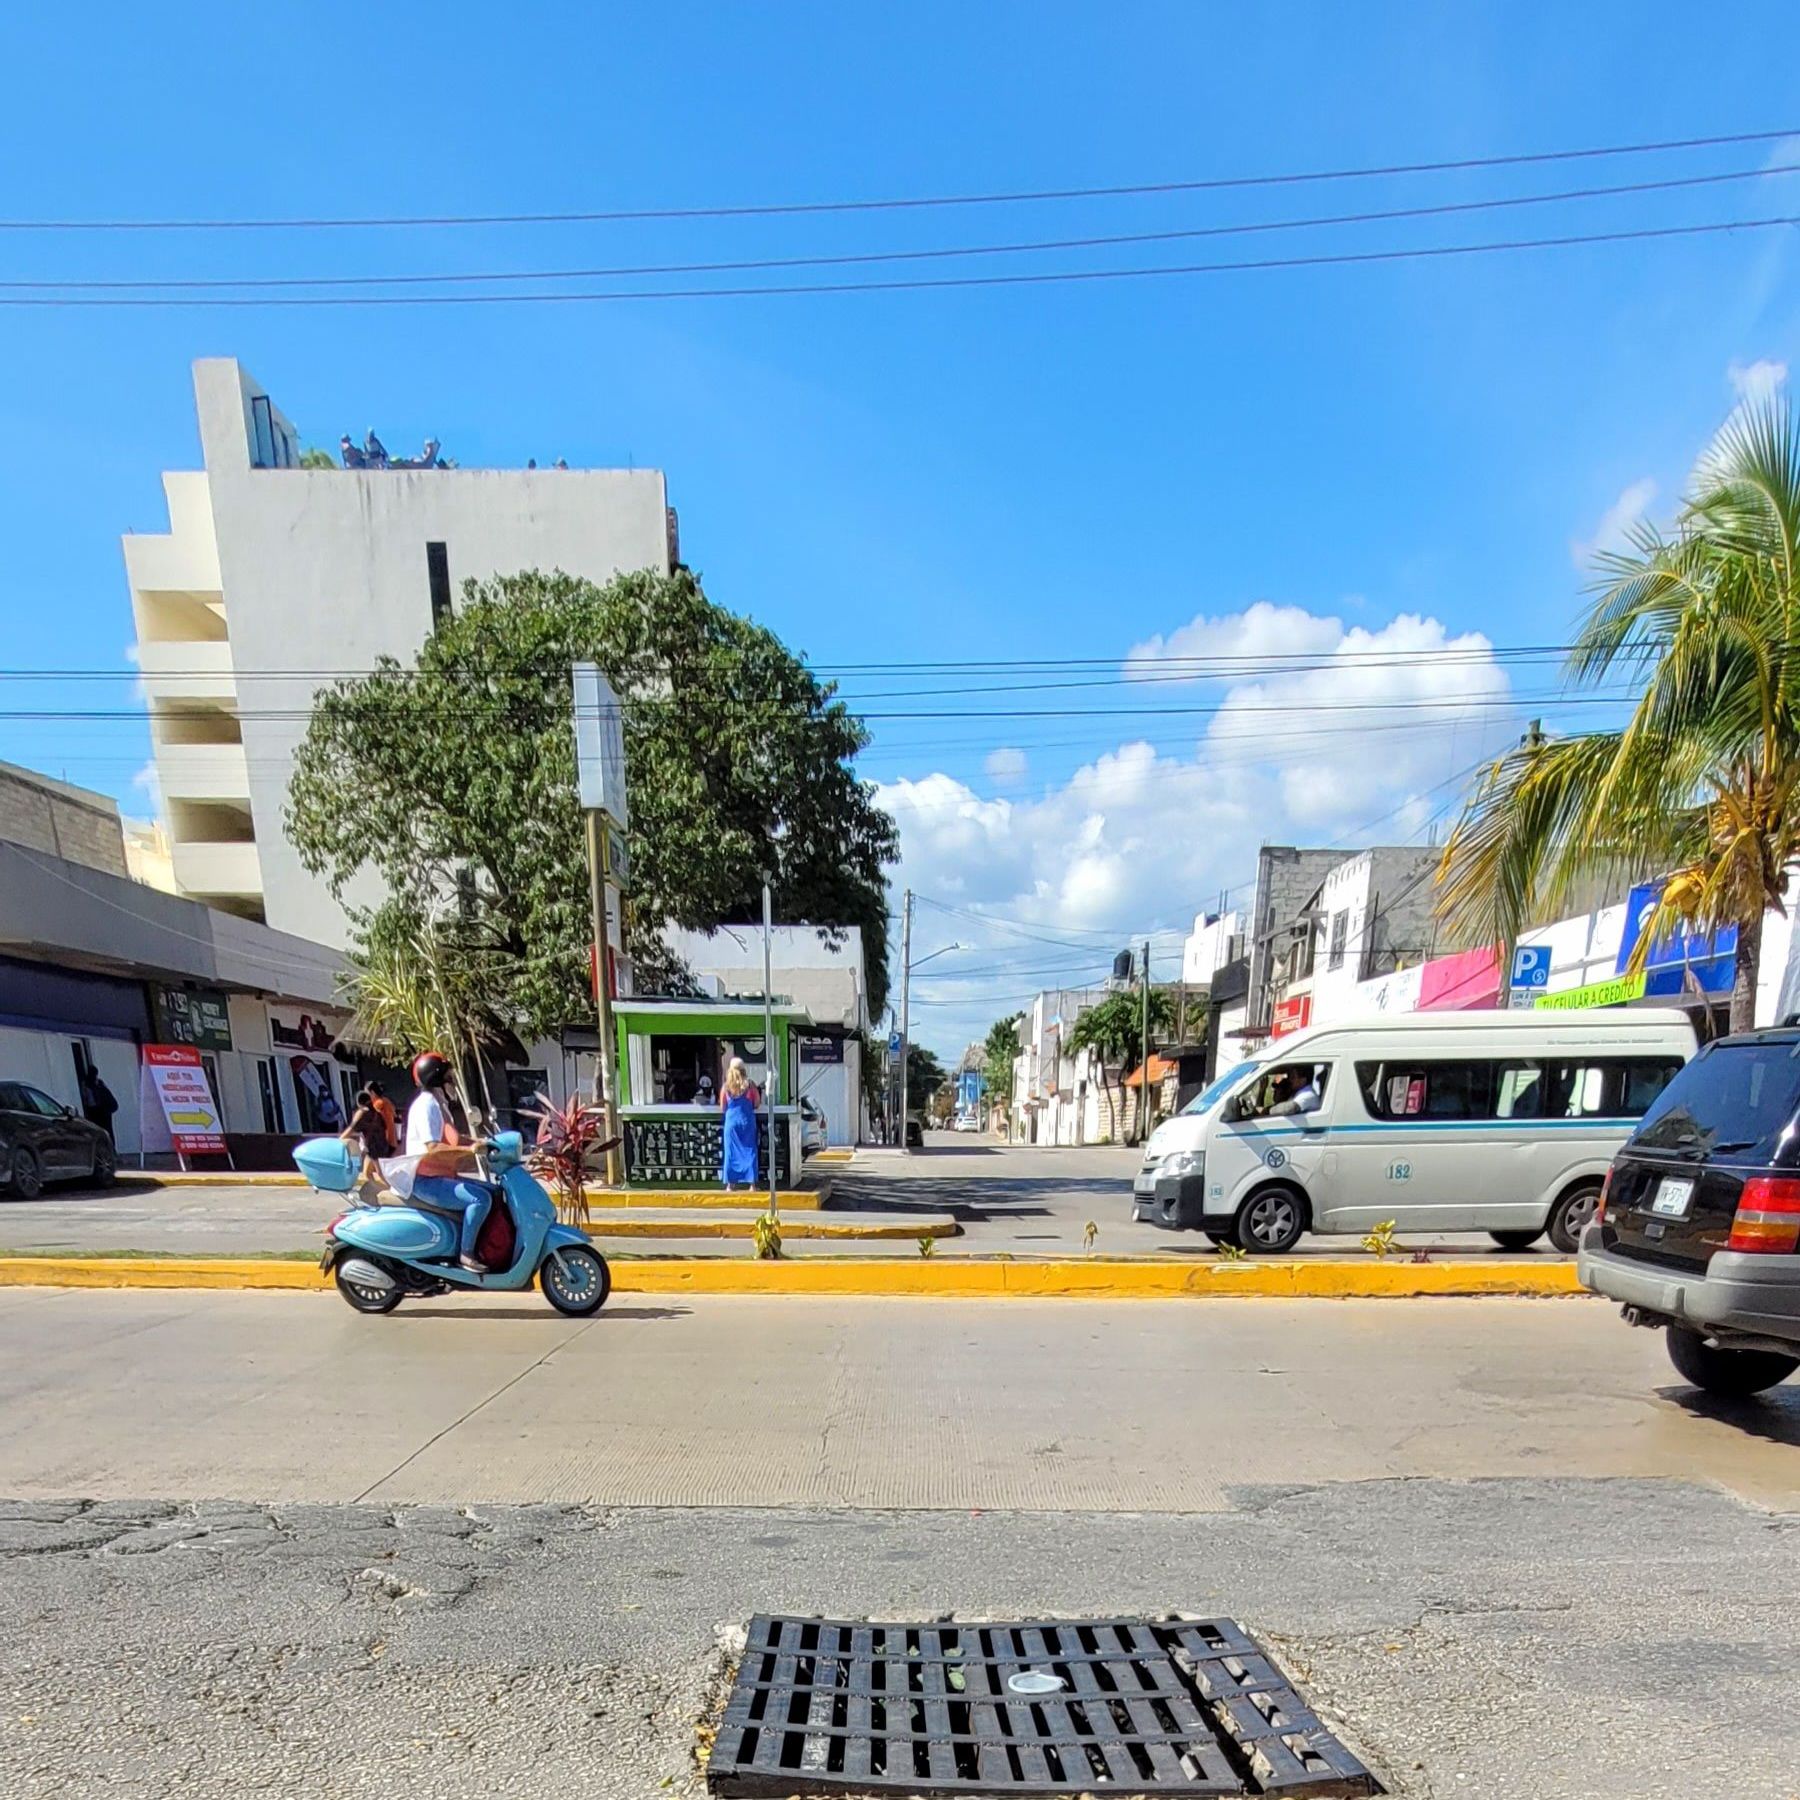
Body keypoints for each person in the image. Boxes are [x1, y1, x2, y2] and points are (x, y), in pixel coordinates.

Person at [405, 1050, 493, 1272]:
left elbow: (455, 1139)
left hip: (441, 1177)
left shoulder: (439, 1104)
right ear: (437, 1079)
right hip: (426, 1181)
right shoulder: (427, 1106)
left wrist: (484, 1141)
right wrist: (470, 1149)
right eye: (449, 1077)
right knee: (479, 1200)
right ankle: (466, 1254)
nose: (452, 1082)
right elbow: (432, 1147)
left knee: (495, 1192)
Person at [341, 1086, 395, 1202]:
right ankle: (379, 1194)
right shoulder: (375, 1112)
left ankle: (393, 1193)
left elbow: (351, 1128)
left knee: (380, 1174)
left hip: (375, 1148)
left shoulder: (363, 1113)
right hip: (379, 1145)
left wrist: (340, 1139)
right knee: (367, 1173)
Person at [718, 1057, 760, 1190]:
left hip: (731, 1123)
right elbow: (757, 1103)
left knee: (730, 1153)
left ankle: (730, 1185)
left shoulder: (726, 1087)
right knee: (750, 1151)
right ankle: (752, 1185)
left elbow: (723, 1107)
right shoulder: (750, 1085)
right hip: (746, 1122)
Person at [78, 1059, 118, 1143]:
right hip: (102, 1111)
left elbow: (86, 1099)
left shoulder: (88, 1084)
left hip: (97, 1111)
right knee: (107, 1130)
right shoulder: (99, 1084)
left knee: (101, 1131)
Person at [366, 1079, 398, 1154]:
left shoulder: (377, 1104)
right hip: (392, 1140)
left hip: (383, 1142)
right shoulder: (386, 1101)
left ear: (372, 1092)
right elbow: (394, 1115)